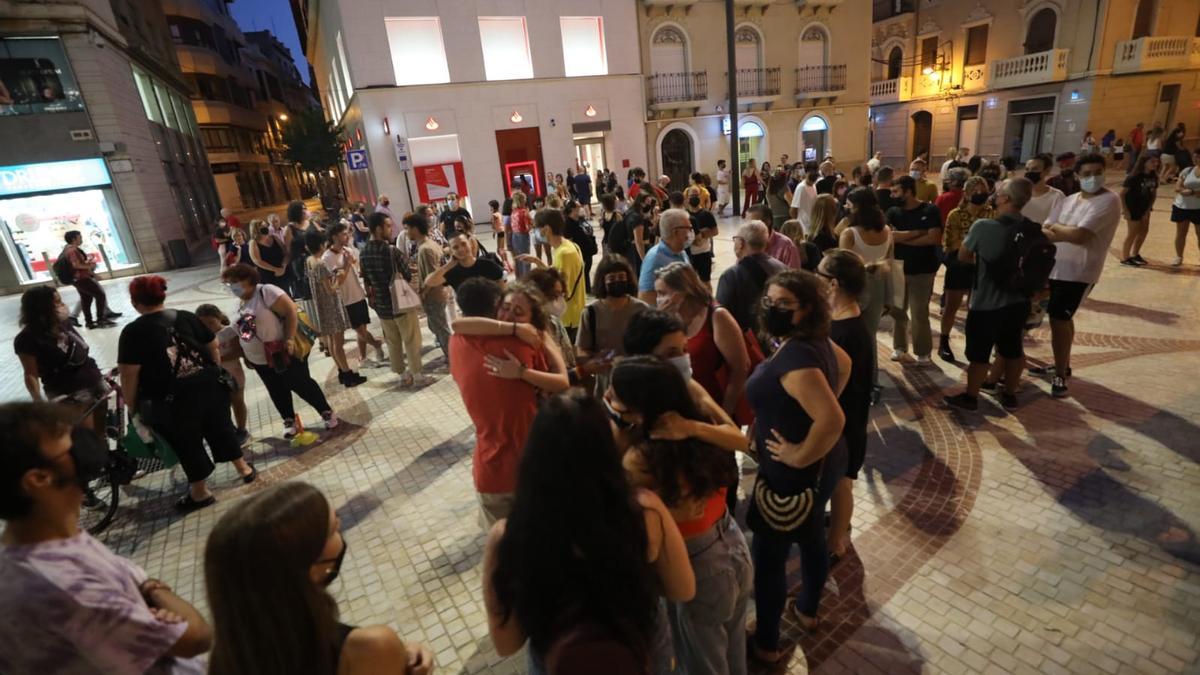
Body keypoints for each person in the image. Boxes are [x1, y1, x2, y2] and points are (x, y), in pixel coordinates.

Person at [482, 390, 695, 674]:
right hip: (639, 653)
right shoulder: (644, 512)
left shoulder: (509, 536)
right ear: (605, 450)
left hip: (559, 659)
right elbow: (684, 589)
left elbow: (506, 644)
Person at [0, 402, 212, 673]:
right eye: (70, 447)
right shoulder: (64, 586)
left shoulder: (51, 542)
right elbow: (196, 637)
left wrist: (144, 591)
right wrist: (154, 591)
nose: (84, 449)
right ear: (39, 479)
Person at [606, 358, 751, 675]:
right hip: (731, 541)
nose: (607, 401)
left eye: (613, 398)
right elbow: (740, 438)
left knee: (702, 665)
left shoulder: (641, 458)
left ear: (638, 409)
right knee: (733, 648)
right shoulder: (694, 427)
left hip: (697, 564)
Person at [204, 482, 434, 675]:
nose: (340, 528)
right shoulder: (368, 648)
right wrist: (395, 657)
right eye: (333, 529)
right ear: (310, 569)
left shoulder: (227, 659)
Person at [745, 270, 850, 663]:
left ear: (807, 309)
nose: (772, 308)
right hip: (826, 462)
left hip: (794, 473)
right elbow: (846, 364)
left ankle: (768, 643)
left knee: (769, 558)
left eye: (783, 304)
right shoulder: (813, 341)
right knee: (810, 537)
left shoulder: (795, 360)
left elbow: (833, 419)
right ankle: (807, 608)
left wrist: (797, 453)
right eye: (769, 301)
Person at [118, 275, 255, 510]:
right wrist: (211, 372)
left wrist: (131, 405)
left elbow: (129, 375)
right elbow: (213, 346)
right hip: (210, 387)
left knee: (187, 442)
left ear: (135, 301)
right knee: (220, 427)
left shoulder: (133, 332)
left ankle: (200, 493)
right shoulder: (185, 317)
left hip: (173, 399)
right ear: (162, 295)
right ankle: (244, 468)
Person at [943, 178, 1038, 412]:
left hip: (986, 302)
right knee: (1013, 349)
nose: (994, 195)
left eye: (998, 192)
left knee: (979, 354)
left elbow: (963, 256)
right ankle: (1009, 395)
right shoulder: (1032, 228)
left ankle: (971, 397)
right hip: (1018, 302)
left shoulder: (983, 227)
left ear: (1005, 198)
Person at [1034, 153, 1122, 398]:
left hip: (1080, 272)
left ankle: (1060, 374)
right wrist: (1064, 231)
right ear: (1078, 175)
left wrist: (1060, 230)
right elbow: (1046, 227)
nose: (1092, 178)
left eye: (1097, 172)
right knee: (1062, 319)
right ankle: (1064, 364)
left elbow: (1080, 236)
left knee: (1059, 320)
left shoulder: (1109, 200)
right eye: (1086, 174)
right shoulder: (1069, 199)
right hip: (1055, 267)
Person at [222, 263, 339, 435]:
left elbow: (290, 311)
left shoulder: (266, 292)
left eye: (235, 282)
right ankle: (288, 419)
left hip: (281, 350)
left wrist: (289, 338)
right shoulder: (238, 303)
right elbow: (236, 329)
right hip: (259, 358)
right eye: (228, 283)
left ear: (248, 280)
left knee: (300, 383)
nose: (232, 287)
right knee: (275, 388)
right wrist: (216, 339)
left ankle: (326, 412)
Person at [818, 250, 873, 563]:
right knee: (840, 480)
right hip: (845, 416)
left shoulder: (848, 330)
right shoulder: (842, 319)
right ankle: (838, 522)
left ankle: (835, 543)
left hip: (845, 420)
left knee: (842, 483)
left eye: (821, 273)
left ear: (834, 283)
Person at [655, 261, 750, 421]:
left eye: (662, 293)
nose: (658, 299)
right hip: (679, 409)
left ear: (680, 294)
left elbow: (741, 368)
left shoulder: (717, 317)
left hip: (712, 408)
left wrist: (724, 414)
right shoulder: (669, 318)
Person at [14, 286, 110, 434]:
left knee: (102, 429)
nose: (63, 305)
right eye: (57, 302)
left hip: (93, 379)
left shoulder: (62, 323)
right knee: (86, 436)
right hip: (68, 390)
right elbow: (30, 373)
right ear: (42, 308)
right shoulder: (27, 338)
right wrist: (38, 400)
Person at [360, 214, 433, 388]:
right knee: (411, 339)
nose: (391, 228)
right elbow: (407, 274)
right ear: (378, 229)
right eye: (387, 226)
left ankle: (402, 375)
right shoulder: (391, 251)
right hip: (401, 303)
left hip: (382, 306)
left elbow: (367, 280)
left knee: (392, 342)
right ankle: (418, 375)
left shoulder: (363, 253)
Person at [838, 188, 893, 398]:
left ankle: (852, 383)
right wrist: (889, 296)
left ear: (857, 207)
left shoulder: (850, 233)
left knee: (848, 338)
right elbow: (890, 262)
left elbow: (844, 266)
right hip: (878, 286)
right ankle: (872, 382)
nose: (846, 207)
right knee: (869, 338)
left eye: (849, 204)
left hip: (855, 289)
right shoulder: (886, 230)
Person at [887, 175, 943, 365]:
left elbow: (934, 238)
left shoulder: (930, 210)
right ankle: (900, 347)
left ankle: (923, 351)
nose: (892, 195)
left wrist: (904, 238)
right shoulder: (893, 212)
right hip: (898, 267)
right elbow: (890, 237)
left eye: (896, 191)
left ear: (908, 191)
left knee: (920, 312)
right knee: (898, 311)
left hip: (923, 269)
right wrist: (918, 233)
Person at [938, 176, 993, 362]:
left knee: (975, 308)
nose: (980, 194)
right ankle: (944, 341)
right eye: (975, 191)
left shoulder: (991, 213)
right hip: (960, 265)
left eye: (983, 190)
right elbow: (950, 243)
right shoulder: (956, 214)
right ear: (967, 194)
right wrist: (970, 253)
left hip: (982, 267)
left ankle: (973, 342)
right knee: (951, 306)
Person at [576, 255, 648, 392]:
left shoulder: (642, 310)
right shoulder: (591, 313)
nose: (617, 282)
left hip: (638, 380)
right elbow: (582, 349)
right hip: (605, 384)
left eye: (621, 277)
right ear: (603, 281)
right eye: (612, 278)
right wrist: (595, 363)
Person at [303, 230, 365, 387]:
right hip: (330, 305)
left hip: (321, 306)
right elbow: (330, 289)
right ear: (322, 244)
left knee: (331, 340)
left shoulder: (309, 261)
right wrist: (340, 274)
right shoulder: (320, 263)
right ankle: (347, 374)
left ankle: (341, 371)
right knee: (338, 342)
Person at [323, 222, 387, 369]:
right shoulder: (327, 258)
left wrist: (352, 263)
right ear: (334, 236)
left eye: (347, 233)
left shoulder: (347, 250)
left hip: (357, 294)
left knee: (362, 328)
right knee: (360, 330)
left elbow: (356, 270)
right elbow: (336, 282)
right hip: (346, 300)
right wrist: (345, 265)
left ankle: (363, 358)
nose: (347, 236)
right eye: (344, 234)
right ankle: (377, 344)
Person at [516, 208, 586, 342]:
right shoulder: (569, 246)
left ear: (547, 229)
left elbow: (563, 289)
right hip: (572, 314)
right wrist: (537, 261)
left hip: (569, 318)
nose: (535, 232)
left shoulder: (565, 254)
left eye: (537, 228)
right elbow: (556, 276)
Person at [717, 221, 789, 332]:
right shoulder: (783, 268)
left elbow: (721, 318)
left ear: (741, 243)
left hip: (747, 341)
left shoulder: (731, 276)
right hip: (776, 335)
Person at [195, 304, 250, 447]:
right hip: (215, 377)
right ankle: (230, 430)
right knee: (221, 405)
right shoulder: (201, 338)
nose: (208, 327)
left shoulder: (229, 332)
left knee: (237, 402)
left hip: (233, 373)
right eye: (203, 324)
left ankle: (242, 429)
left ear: (219, 318)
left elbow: (238, 352)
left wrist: (215, 360)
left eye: (211, 323)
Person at [633, 207, 691, 307]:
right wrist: (675, 304)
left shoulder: (681, 252)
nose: (690, 233)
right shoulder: (654, 258)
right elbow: (644, 296)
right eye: (688, 229)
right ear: (675, 232)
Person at [60, 230, 118, 329]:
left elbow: (79, 265)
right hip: (81, 278)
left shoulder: (68, 250)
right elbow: (76, 265)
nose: (81, 239)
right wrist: (89, 265)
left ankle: (89, 322)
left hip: (78, 279)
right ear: (74, 239)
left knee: (86, 298)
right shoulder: (72, 250)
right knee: (100, 295)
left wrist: (93, 274)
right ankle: (101, 319)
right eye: (80, 237)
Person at [1119, 152, 1160, 266]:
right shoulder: (1134, 177)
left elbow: (1153, 194)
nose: (1155, 164)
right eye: (1152, 161)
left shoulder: (1153, 176)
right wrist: (1125, 211)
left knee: (1143, 232)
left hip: (1145, 208)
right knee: (1132, 233)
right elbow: (1122, 194)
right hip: (1133, 208)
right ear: (1144, 162)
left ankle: (1135, 254)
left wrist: (1148, 209)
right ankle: (1125, 257)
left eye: (1156, 162)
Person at [1171, 147, 1200, 266]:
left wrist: (1192, 192)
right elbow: (1177, 187)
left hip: (1198, 209)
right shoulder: (1187, 170)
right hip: (1182, 206)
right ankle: (1179, 256)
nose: (1195, 159)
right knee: (1181, 233)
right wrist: (1183, 191)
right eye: (1194, 156)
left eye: (1198, 156)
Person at [749, 203, 801, 270]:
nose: (749, 227)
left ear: (768, 221)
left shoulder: (786, 246)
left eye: (754, 223)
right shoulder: (746, 244)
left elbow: (794, 276)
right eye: (747, 223)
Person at [562, 200, 597, 295]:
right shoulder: (568, 224)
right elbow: (569, 241)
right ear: (572, 209)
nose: (581, 209)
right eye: (578, 207)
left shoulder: (579, 220)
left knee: (586, 272)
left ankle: (588, 289)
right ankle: (585, 291)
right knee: (582, 273)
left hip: (587, 250)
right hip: (580, 253)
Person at [1020, 153, 1066, 226]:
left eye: (1034, 169)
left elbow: (1060, 224)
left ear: (1047, 171)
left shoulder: (1057, 196)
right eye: (1027, 169)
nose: (1029, 172)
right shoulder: (1017, 193)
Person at [685, 189, 718, 285]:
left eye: (696, 195)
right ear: (687, 198)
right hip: (688, 253)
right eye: (691, 196)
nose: (694, 197)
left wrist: (700, 235)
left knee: (705, 282)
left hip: (702, 252)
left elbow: (715, 231)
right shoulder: (684, 214)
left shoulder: (706, 214)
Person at [249, 219, 289, 288]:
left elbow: (285, 253)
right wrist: (275, 269)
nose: (265, 228)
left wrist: (283, 267)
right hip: (267, 274)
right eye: (262, 226)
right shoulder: (253, 242)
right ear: (256, 229)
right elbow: (257, 261)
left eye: (266, 226)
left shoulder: (275, 237)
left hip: (282, 271)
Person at [789, 162, 820, 232]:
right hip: (803, 228)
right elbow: (793, 210)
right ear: (806, 172)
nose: (815, 174)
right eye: (813, 171)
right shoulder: (801, 187)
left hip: (812, 226)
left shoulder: (814, 186)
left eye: (816, 171)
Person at [509, 191, 533, 277]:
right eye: (525, 199)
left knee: (518, 258)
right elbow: (528, 227)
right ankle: (526, 277)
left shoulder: (513, 212)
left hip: (514, 236)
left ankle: (519, 277)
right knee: (526, 257)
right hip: (523, 236)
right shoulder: (524, 212)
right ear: (522, 200)